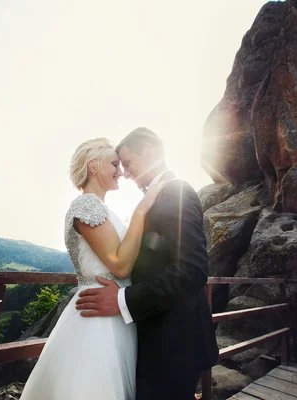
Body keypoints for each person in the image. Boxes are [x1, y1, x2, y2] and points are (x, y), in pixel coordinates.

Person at [76, 128, 219, 400]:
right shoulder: (153, 197)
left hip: (174, 344)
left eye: (128, 163)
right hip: (155, 338)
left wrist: (122, 299)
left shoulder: (177, 191)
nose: (125, 173)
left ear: (150, 150)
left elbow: (192, 269)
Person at [20, 137, 163, 400]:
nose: (120, 171)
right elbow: (120, 265)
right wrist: (142, 212)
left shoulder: (102, 209)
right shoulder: (86, 205)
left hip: (113, 310)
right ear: (94, 166)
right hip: (97, 319)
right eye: (114, 164)